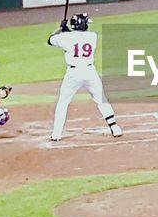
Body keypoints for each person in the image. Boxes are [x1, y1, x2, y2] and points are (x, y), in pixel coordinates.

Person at [48, 13, 122, 142]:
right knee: (101, 99)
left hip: (73, 73)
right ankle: (114, 127)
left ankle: (56, 134)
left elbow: (50, 40)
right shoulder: (92, 36)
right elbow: (76, 37)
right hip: (89, 71)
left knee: (63, 103)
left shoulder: (65, 37)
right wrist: (66, 31)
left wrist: (61, 28)